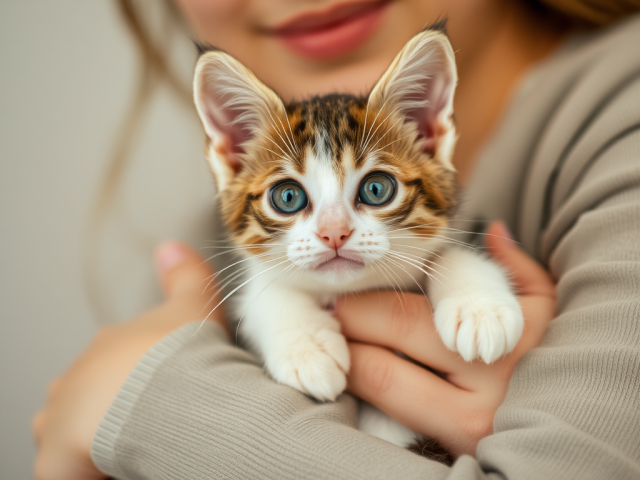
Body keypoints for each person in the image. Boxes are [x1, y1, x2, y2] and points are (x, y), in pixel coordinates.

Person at [33, 1, 640, 479]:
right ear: (231, 153)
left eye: (374, 190)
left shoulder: (619, 116)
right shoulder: (200, 258)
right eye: (289, 199)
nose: (332, 233)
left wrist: (147, 402)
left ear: (430, 131)